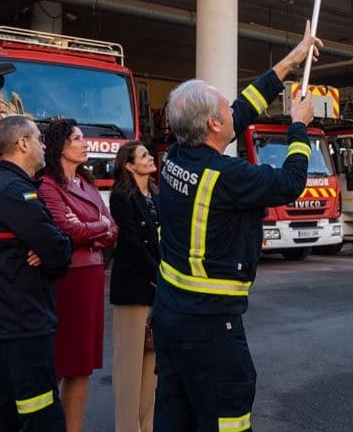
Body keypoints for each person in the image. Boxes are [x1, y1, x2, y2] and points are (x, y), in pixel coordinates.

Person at [152, 22, 322, 432]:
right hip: (210, 325)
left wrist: (292, 60)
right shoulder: (228, 176)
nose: (233, 111)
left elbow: (242, 108)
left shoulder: (176, 154)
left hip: (172, 314)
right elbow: (290, 182)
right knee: (227, 416)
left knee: (175, 414)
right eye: (224, 111)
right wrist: (298, 126)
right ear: (212, 126)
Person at [0, 115, 73, 432]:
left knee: (1, 415)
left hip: (5, 321)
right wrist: (56, 248)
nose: (44, 146)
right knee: (42, 415)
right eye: (39, 139)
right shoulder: (17, 192)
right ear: (23, 143)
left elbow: (47, 247)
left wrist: (48, 248)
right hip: (22, 322)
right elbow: (56, 251)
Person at [36, 119, 119, 432]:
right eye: (78, 138)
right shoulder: (47, 184)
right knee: (59, 363)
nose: (86, 144)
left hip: (92, 276)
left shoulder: (87, 183)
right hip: (67, 279)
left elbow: (113, 229)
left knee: (82, 367)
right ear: (60, 145)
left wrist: (92, 229)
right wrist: (97, 227)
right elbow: (67, 229)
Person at [109, 141, 161, 432]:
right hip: (133, 289)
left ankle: (148, 426)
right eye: (143, 155)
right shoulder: (120, 197)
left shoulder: (156, 194)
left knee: (152, 368)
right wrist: (159, 276)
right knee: (128, 368)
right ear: (129, 165)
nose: (149, 157)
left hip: (157, 289)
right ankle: (128, 428)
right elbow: (130, 244)